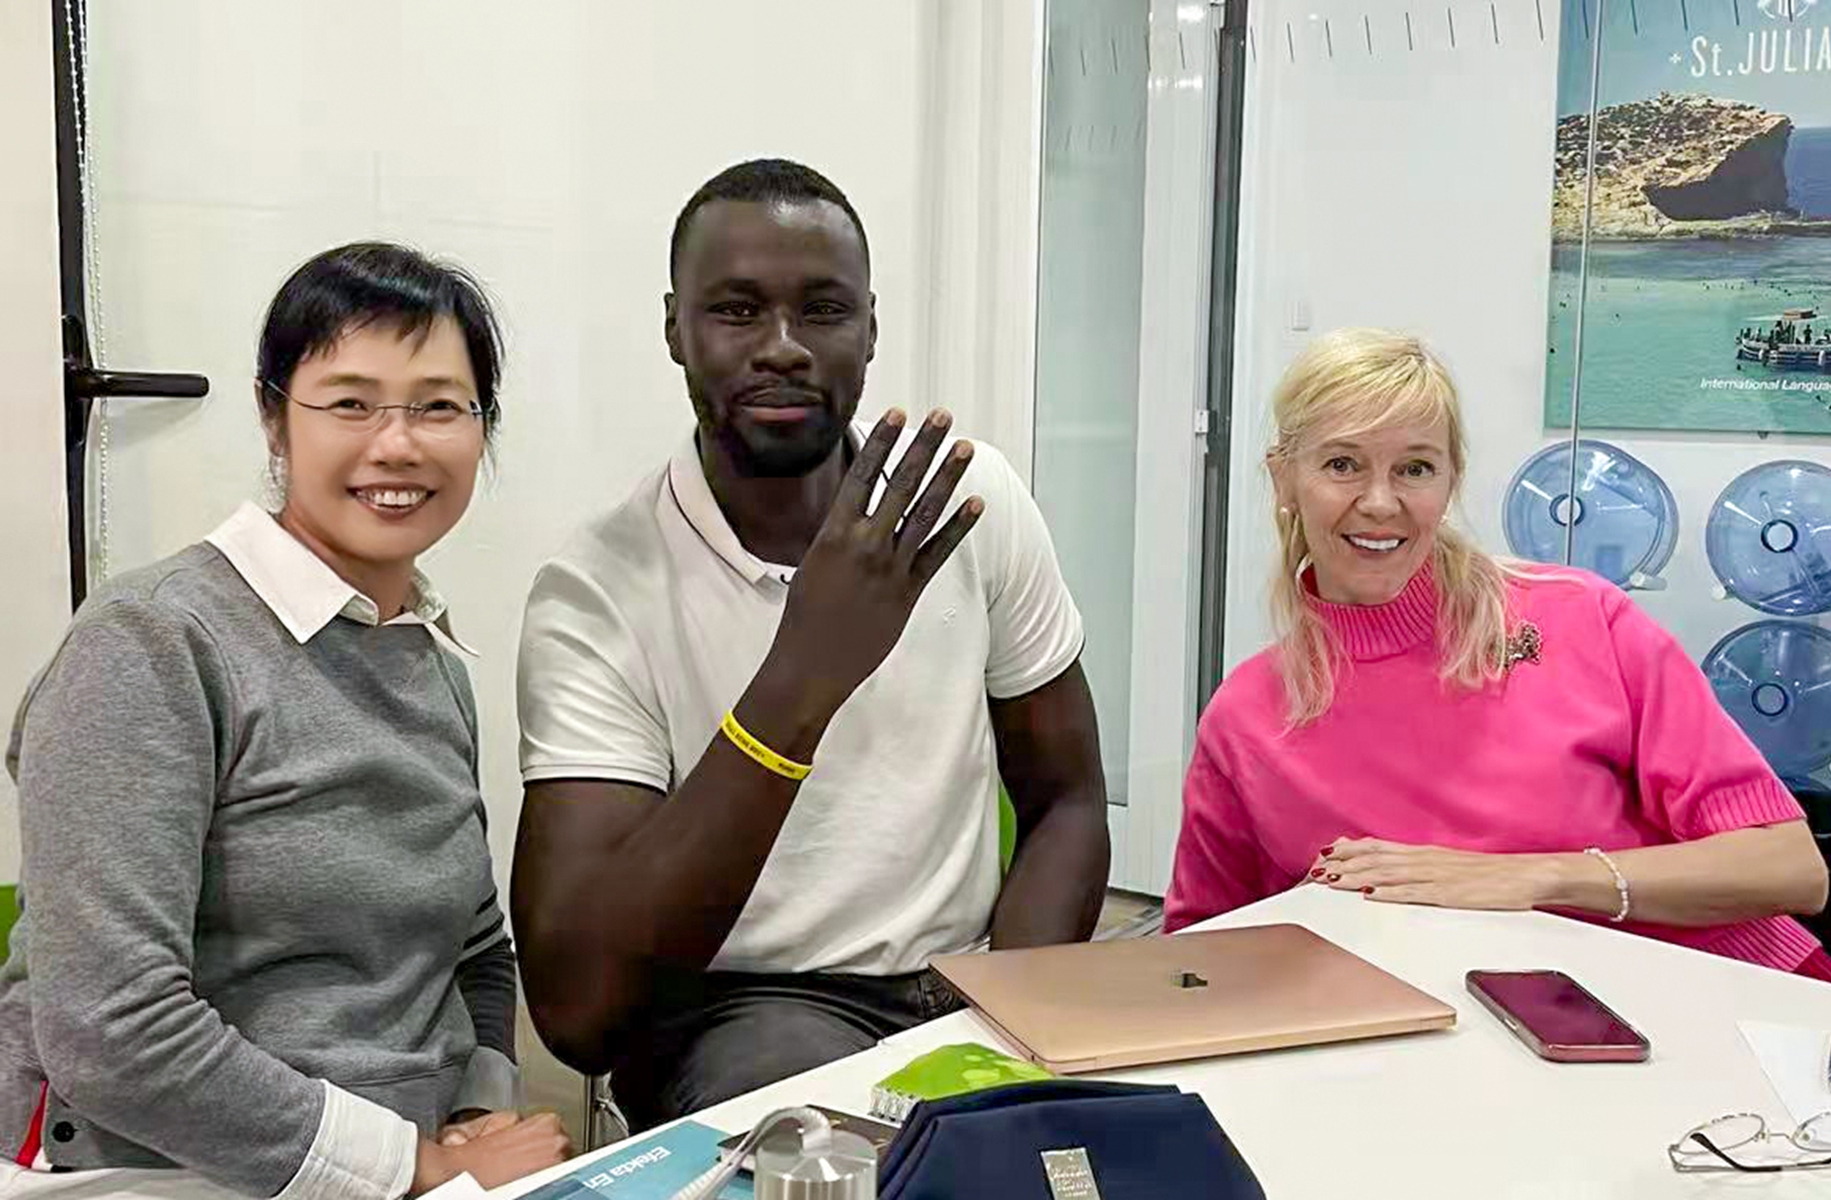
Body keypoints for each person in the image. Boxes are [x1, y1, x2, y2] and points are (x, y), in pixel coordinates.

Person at [511, 159, 1110, 1126]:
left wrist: (1009, 1023)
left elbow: (1069, 801)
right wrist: (808, 670)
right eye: (737, 310)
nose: (782, 348)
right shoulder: (597, 590)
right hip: (746, 1008)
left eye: (823, 310)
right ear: (675, 329)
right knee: (830, 1145)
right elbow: (580, 1012)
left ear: (870, 328)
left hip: (967, 983)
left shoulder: (968, 503)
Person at [0, 243, 571, 1198]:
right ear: (274, 417)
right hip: (156, 1169)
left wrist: (477, 1113)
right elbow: (111, 1030)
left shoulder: (428, 658)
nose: (397, 445)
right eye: (350, 403)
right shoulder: (151, 643)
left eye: (439, 406)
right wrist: (419, 1167)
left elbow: (474, 949)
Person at [1165, 329, 1831, 981]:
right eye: (1342, 465)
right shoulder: (1248, 718)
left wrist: (1537, 876)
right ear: (1283, 479)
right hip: (1472, 1030)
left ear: (1450, 481)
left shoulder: (1579, 617)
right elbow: (1200, 958)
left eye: (1415, 469)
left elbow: (1788, 868)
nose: (1380, 502)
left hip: (1732, 992)